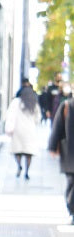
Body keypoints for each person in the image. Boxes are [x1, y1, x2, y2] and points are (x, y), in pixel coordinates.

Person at [4, 85, 41, 179]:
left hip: (18, 130)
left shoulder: (16, 102)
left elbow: (9, 114)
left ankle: (19, 166)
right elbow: (38, 119)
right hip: (30, 131)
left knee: (17, 151)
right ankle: (27, 172)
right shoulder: (34, 103)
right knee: (29, 153)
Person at [48, 93, 74, 224]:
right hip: (69, 153)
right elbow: (57, 127)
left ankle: (71, 209)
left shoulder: (67, 105)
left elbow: (56, 127)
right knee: (71, 182)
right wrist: (52, 146)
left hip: (69, 153)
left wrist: (52, 147)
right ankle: (71, 209)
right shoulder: (67, 105)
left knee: (71, 183)